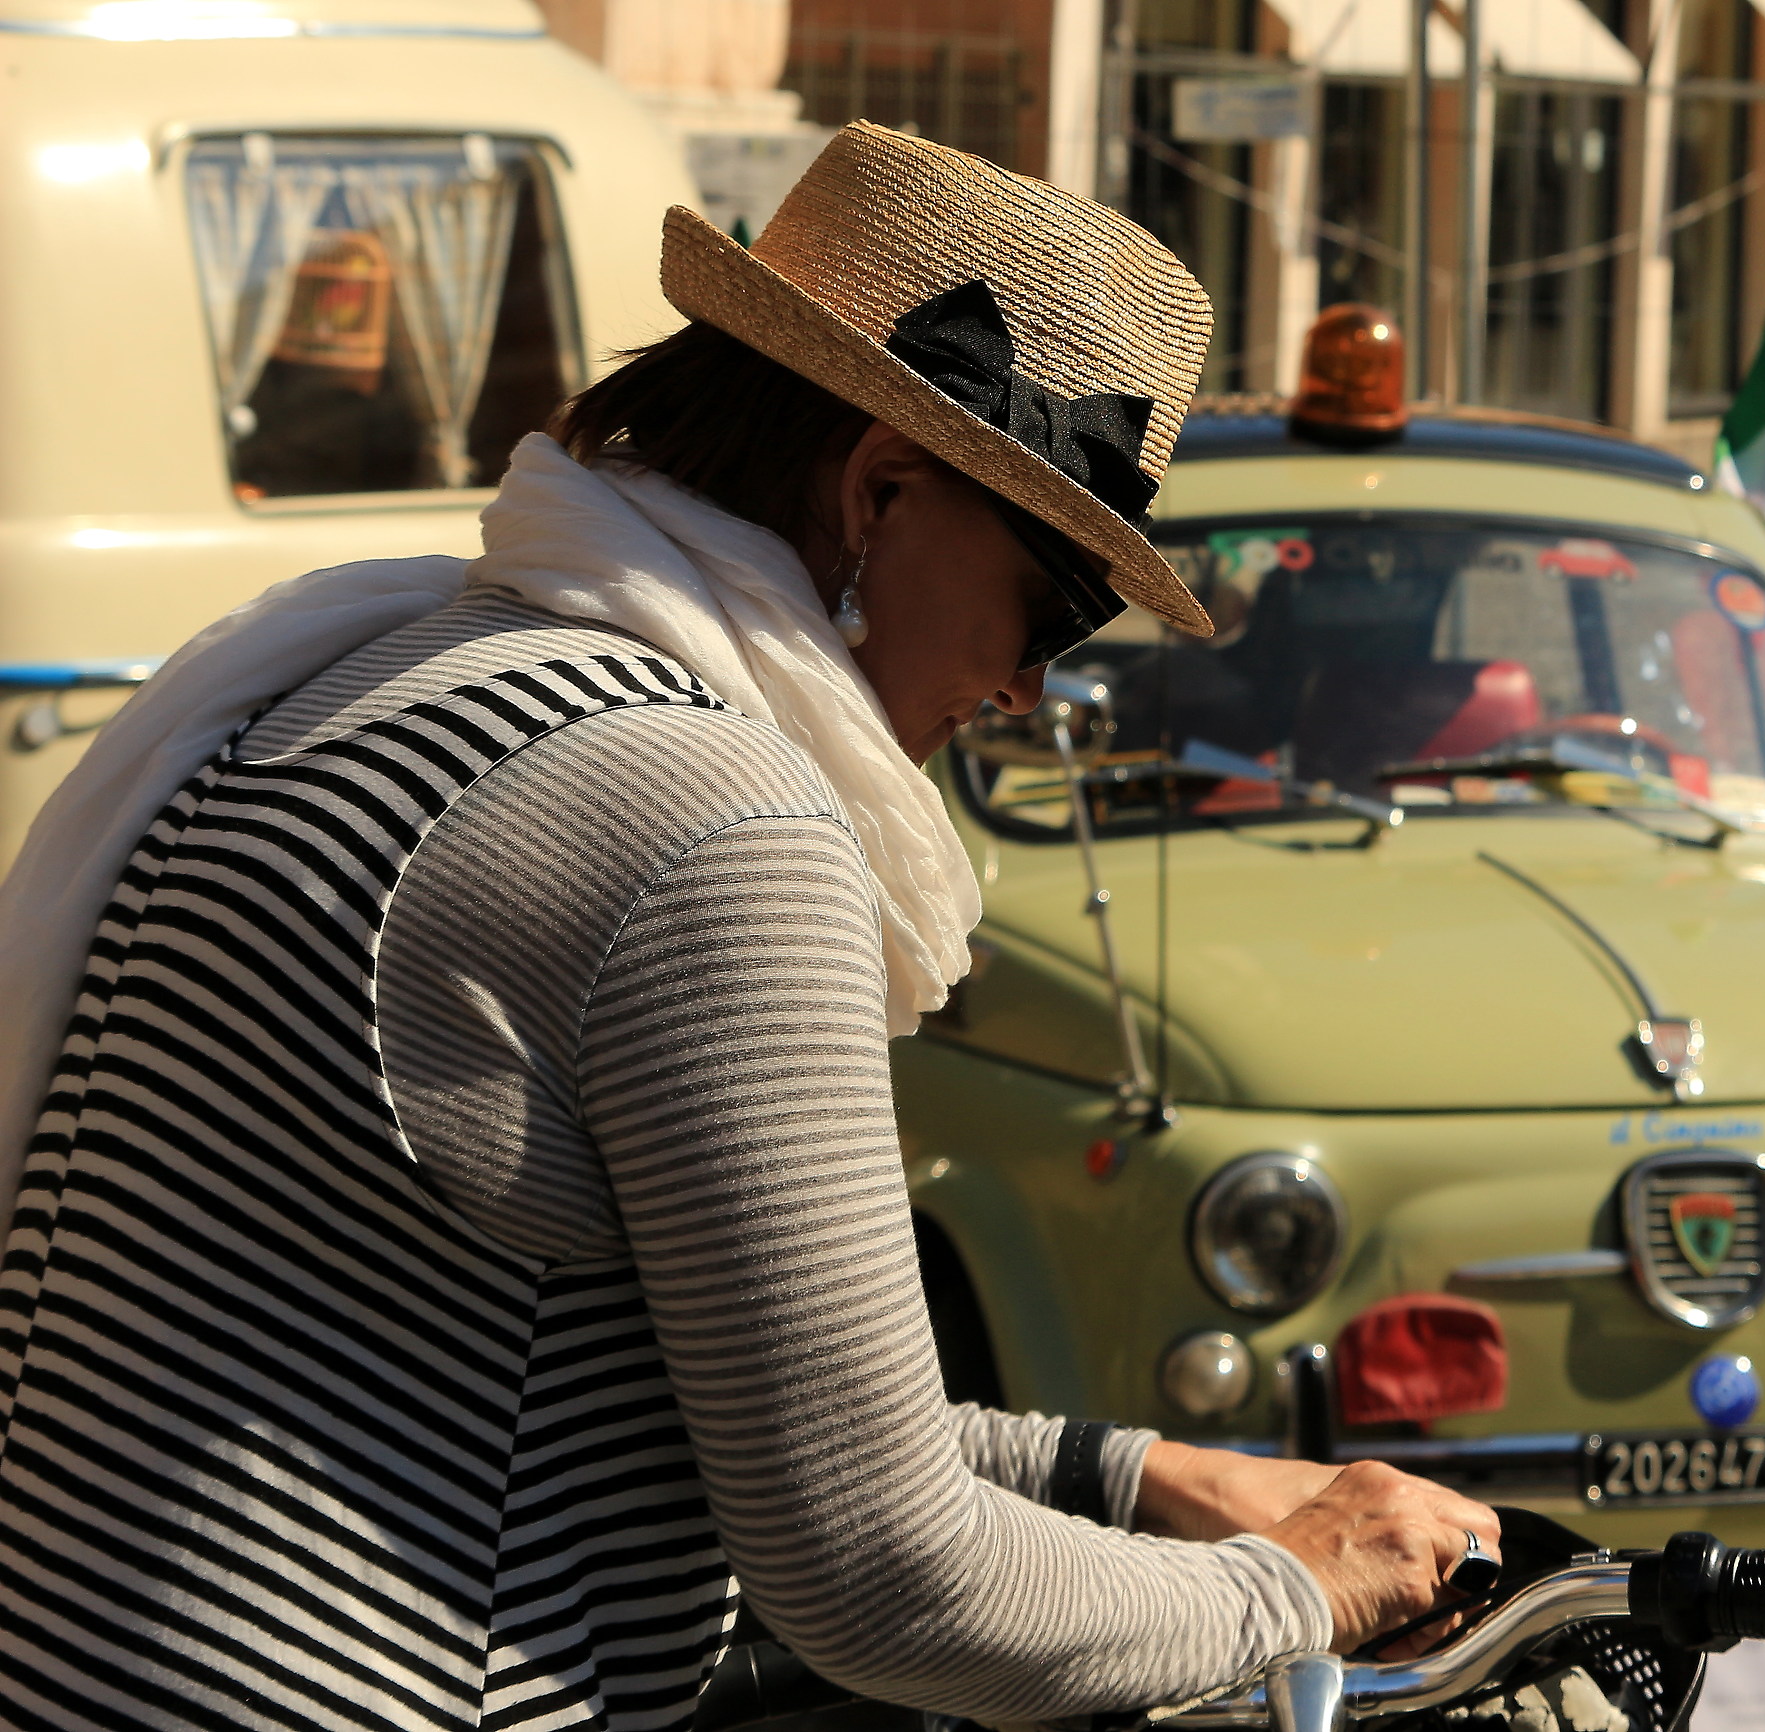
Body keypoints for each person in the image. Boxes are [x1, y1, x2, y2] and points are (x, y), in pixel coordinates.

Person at [0, 122, 1497, 1730]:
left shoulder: (392, 678)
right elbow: (880, 1571)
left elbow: (663, 1378)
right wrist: (1306, 1586)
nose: (1022, 690)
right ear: (879, 493)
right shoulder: (706, 816)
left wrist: (1140, 1471)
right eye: (1055, 613)